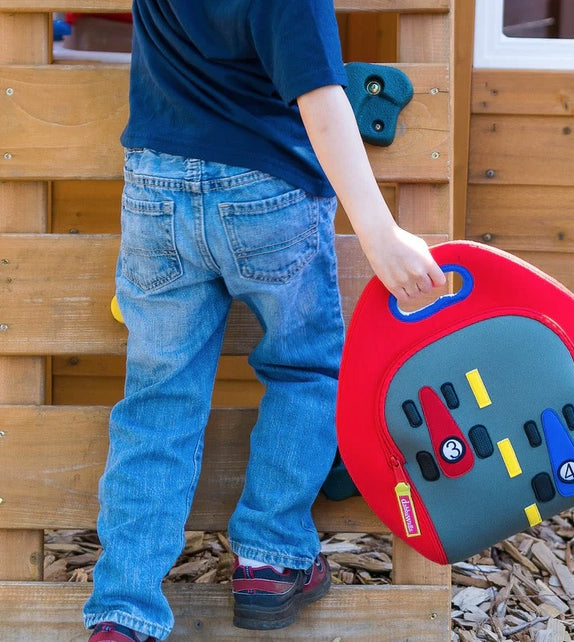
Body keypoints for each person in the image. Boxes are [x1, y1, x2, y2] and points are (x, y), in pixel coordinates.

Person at [84, 1, 446, 640]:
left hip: (156, 186)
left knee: (156, 401)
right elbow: (321, 98)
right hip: (265, 190)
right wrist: (379, 232)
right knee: (304, 369)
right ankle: (270, 559)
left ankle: (123, 612)